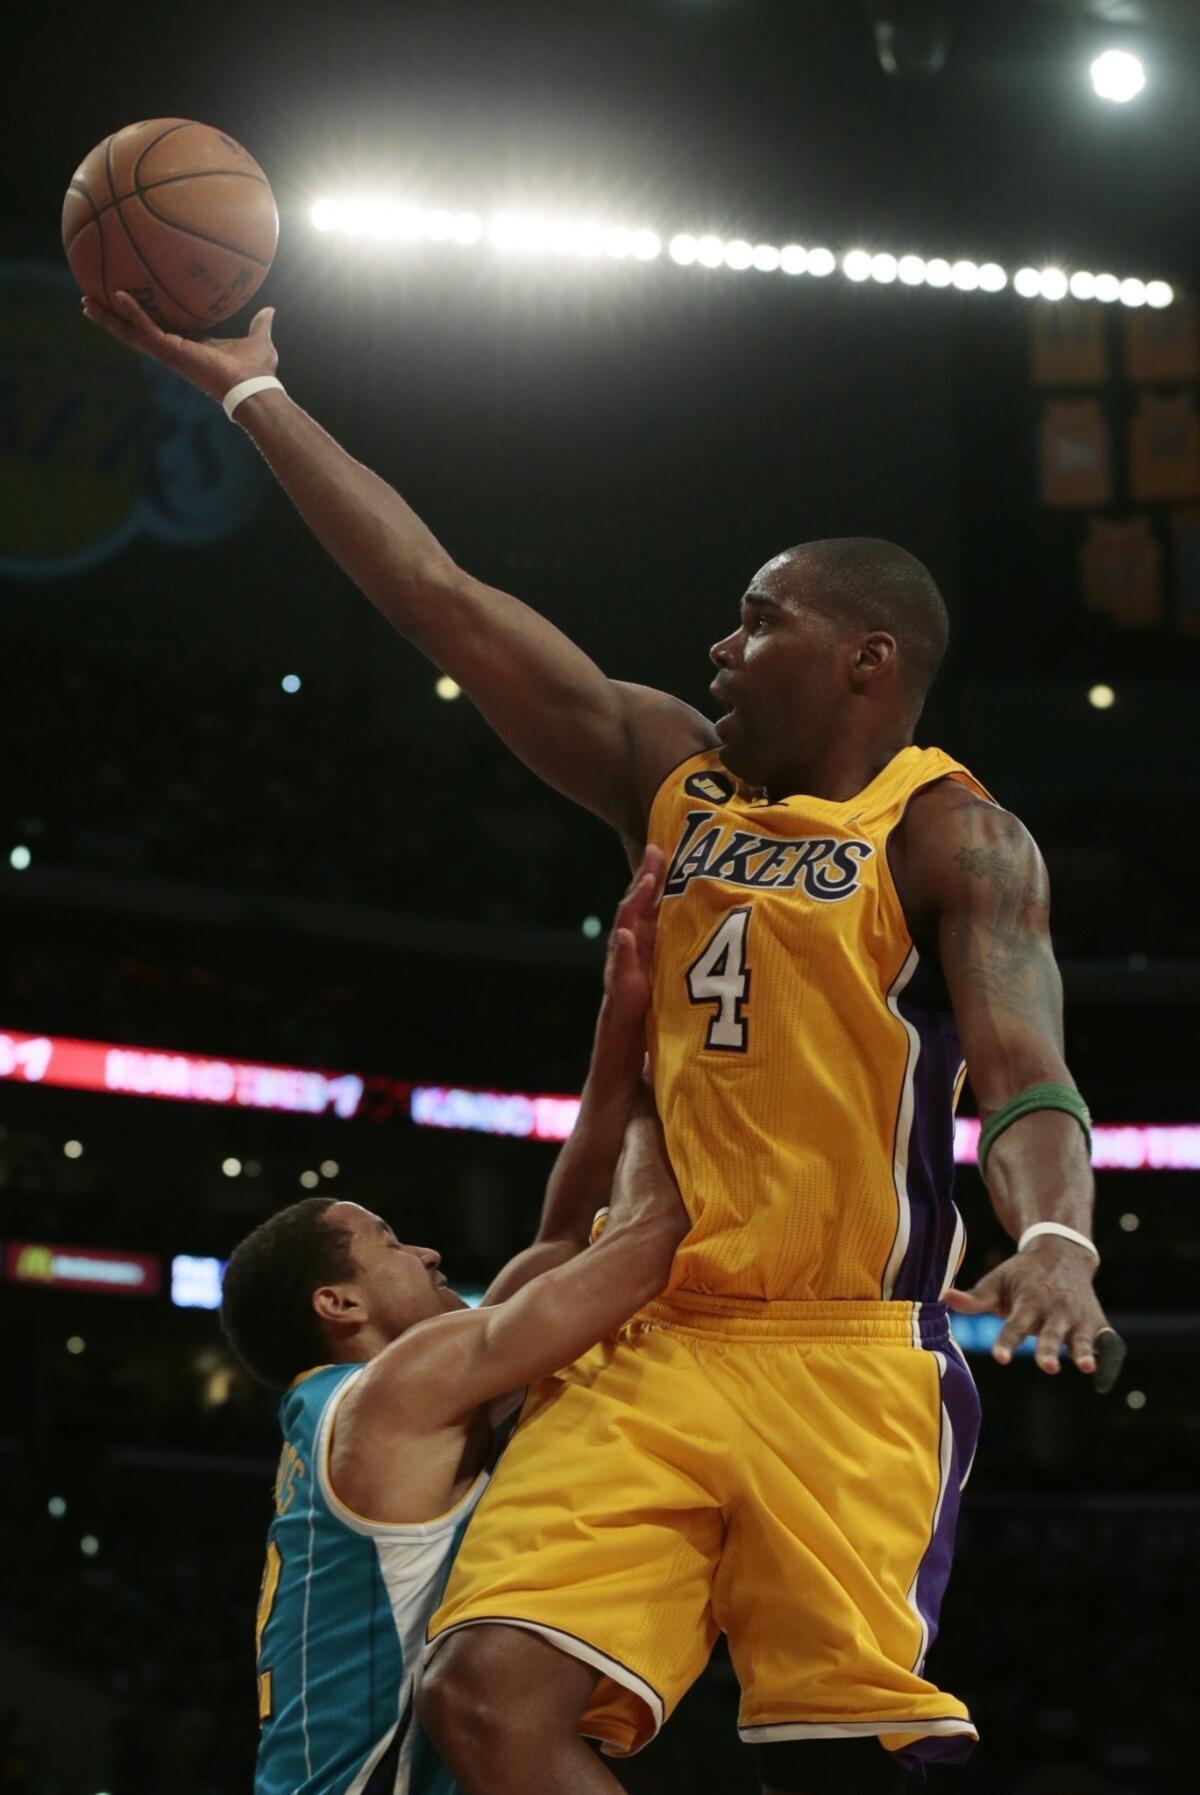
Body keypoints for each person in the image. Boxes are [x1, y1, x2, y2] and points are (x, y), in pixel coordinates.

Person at [85, 293, 1124, 1795]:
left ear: (865, 659)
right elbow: (436, 592)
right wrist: (255, 393)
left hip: (840, 1351)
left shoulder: (956, 837)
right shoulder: (667, 776)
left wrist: (1061, 1237)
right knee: (483, 1697)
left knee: (846, 1760)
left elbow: (1029, 1069)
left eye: (762, 617)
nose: (722, 639)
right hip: (641, 1336)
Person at [218, 853, 688, 1795]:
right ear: (337, 1304)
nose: (428, 1253)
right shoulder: (395, 1393)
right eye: (387, 1240)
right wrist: (700, 1053)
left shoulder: (378, 1405)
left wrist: (626, 1010)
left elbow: (563, 1230)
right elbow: (644, 1245)